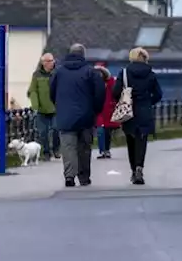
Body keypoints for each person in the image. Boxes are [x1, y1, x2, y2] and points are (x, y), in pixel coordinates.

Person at [49, 43, 105, 187]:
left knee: (68, 147)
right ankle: (84, 177)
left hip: (65, 116)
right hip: (86, 116)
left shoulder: (59, 72)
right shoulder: (91, 72)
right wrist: (95, 110)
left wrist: (60, 106)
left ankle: (69, 176)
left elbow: (52, 92)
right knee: (84, 148)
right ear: (83, 55)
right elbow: (100, 93)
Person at [112, 46, 163, 185]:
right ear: (145, 58)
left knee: (131, 141)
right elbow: (158, 94)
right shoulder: (151, 74)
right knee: (142, 141)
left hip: (129, 111)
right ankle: (140, 167)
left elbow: (115, 92)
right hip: (144, 111)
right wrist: (148, 102)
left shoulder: (124, 73)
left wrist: (123, 100)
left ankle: (134, 170)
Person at [27, 53, 61, 160]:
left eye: (52, 61)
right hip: (42, 109)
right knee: (43, 132)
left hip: (56, 108)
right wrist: (35, 106)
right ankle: (46, 152)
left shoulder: (58, 73)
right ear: (43, 63)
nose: (51, 63)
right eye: (48, 61)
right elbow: (33, 91)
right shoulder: (37, 75)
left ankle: (56, 149)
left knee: (56, 129)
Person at [93, 64, 119, 159]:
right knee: (100, 131)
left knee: (108, 131)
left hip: (109, 110)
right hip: (99, 111)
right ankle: (103, 150)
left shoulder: (111, 82)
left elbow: (116, 93)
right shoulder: (93, 84)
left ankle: (106, 150)